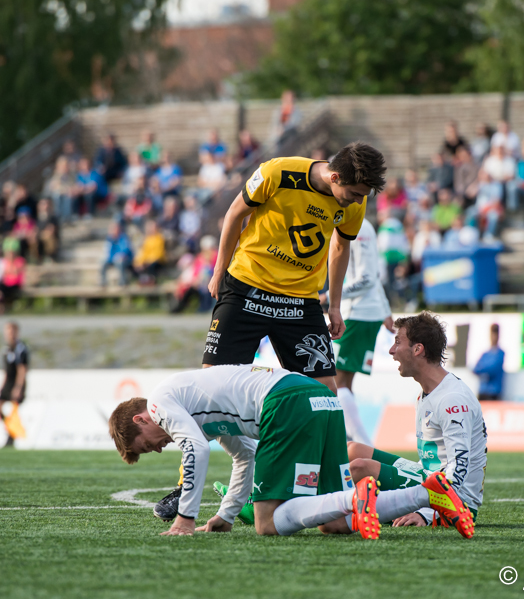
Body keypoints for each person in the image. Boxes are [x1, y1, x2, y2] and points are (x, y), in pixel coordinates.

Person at [150, 145, 387, 521]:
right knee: (209, 388)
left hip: (300, 303)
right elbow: (234, 214)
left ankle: (331, 488)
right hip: (245, 289)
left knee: (327, 394)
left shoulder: (353, 201)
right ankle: (185, 487)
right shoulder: (278, 172)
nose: (359, 202)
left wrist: (336, 304)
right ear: (335, 177)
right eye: (355, 194)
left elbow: (340, 246)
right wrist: (218, 270)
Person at [108, 364, 475, 539]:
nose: (157, 449)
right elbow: (243, 456)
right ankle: (428, 493)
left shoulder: (159, 403)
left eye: (146, 444)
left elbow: (196, 452)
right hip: (320, 400)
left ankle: (355, 498)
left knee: (268, 524)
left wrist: (185, 519)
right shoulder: (199, 409)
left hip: (287, 403)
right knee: (333, 525)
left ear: (142, 419)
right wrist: (227, 513)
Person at [347, 312, 487, 528]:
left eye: (397, 342)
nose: (392, 351)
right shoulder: (427, 393)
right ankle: (338, 504)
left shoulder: (452, 399)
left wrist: (426, 514)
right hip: (426, 477)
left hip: (454, 502)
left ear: (417, 349)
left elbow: (458, 468)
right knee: (352, 449)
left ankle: (331, 505)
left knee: (359, 468)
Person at [333, 218, 394, 446]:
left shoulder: (360, 226)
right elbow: (374, 277)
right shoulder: (351, 223)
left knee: (337, 381)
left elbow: (367, 278)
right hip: (363, 313)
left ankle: (361, 443)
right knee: (344, 383)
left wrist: (329, 297)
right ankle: (353, 439)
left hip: (358, 314)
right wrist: (386, 309)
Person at [0, 321, 29, 447]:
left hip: (16, 382)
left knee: (13, 409)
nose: (10, 334)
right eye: (8, 331)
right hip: (8, 381)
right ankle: (10, 431)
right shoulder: (6, 349)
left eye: (12, 331)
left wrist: (18, 387)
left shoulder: (20, 348)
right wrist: (2, 386)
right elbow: (6, 371)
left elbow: (22, 370)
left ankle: (13, 435)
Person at [473, 324, 505, 401]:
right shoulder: (485, 354)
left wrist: (483, 369)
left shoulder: (500, 353)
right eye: (492, 334)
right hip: (483, 391)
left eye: (495, 334)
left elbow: (493, 369)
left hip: (494, 392)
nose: (494, 337)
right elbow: (475, 369)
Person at [100, 220, 134, 287]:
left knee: (120, 262)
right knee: (102, 262)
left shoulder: (124, 237)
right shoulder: (109, 239)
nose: (113, 230)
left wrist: (120, 256)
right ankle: (103, 282)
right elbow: (108, 251)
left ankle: (122, 282)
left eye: (115, 228)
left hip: (125, 259)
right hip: (113, 258)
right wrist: (111, 258)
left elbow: (126, 250)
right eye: (112, 229)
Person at [133, 219, 165, 285]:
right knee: (138, 267)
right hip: (148, 261)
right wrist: (140, 262)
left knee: (151, 266)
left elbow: (159, 253)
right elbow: (144, 253)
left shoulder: (160, 238)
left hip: (157, 260)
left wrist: (149, 261)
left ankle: (152, 282)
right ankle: (143, 282)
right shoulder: (147, 239)